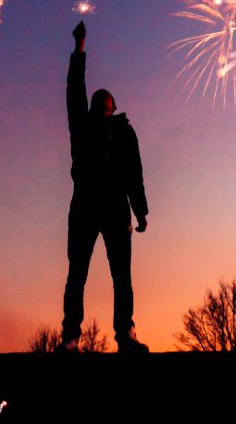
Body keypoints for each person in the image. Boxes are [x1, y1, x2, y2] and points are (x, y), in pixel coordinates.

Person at [59, 20, 150, 354]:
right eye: (96, 102)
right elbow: (74, 88)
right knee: (78, 274)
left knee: (119, 276)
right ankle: (71, 336)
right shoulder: (81, 127)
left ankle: (124, 333)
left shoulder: (123, 133)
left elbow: (133, 172)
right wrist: (79, 48)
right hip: (84, 205)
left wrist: (139, 209)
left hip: (113, 207)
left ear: (112, 108)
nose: (99, 105)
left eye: (104, 103)